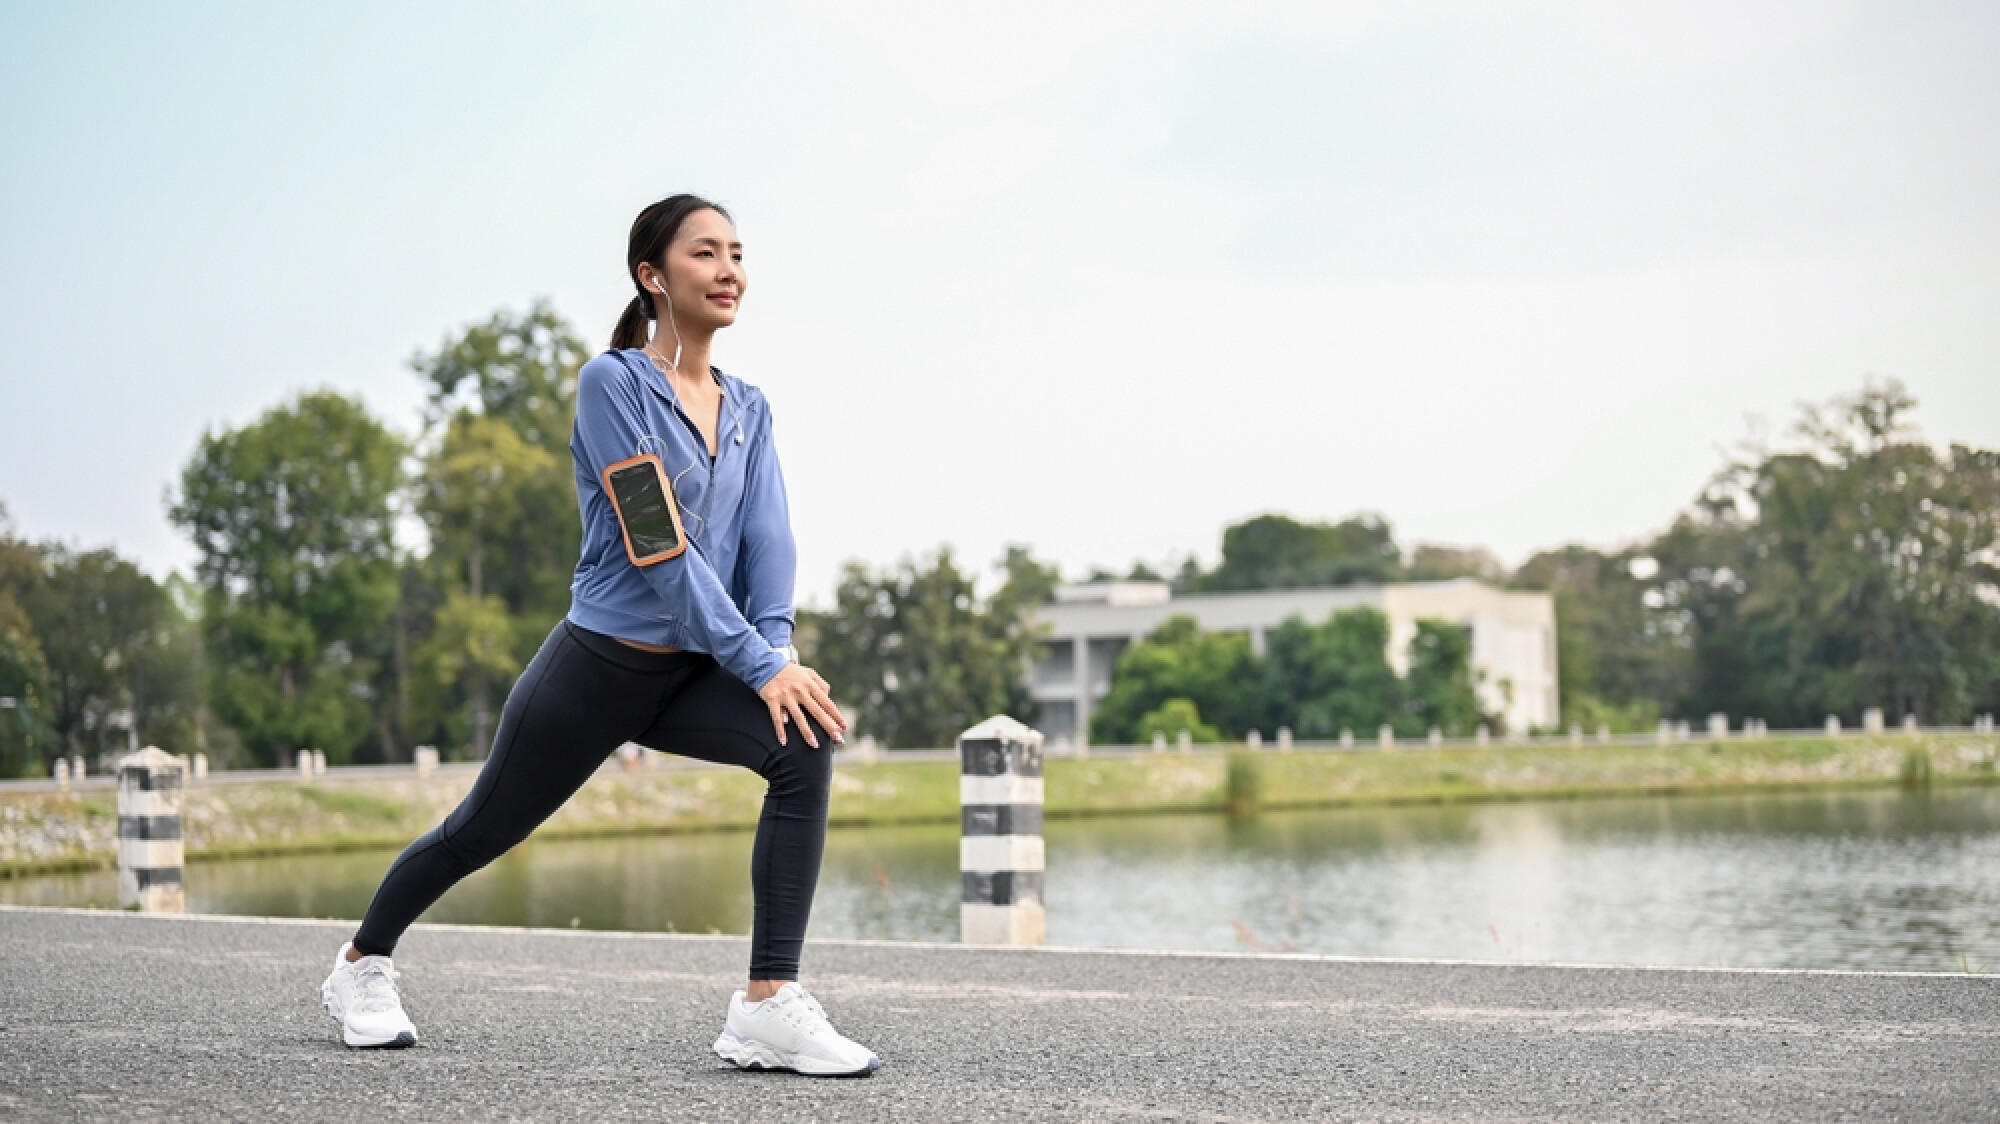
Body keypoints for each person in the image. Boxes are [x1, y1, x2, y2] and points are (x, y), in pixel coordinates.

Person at [319, 194, 880, 1077]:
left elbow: (769, 543)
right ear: (653, 277)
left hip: (694, 671)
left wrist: (777, 655)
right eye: (706, 253)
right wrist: (757, 661)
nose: (729, 268)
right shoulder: (613, 385)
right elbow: (658, 548)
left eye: (737, 252)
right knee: (479, 832)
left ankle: (767, 1006)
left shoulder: (752, 408)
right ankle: (361, 966)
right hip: (596, 668)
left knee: (801, 744)